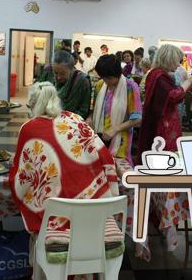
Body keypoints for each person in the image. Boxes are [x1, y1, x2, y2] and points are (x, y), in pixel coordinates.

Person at [9, 82, 119, 241]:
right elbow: (104, 155)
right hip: (94, 207)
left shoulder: (29, 128)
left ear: (33, 104)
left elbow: (23, 175)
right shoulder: (76, 118)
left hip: (55, 210)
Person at [137, 45, 192, 163]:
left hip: (159, 121)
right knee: (163, 158)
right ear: (169, 59)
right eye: (177, 61)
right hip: (162, 124)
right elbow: (174, 96)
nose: (178, 65)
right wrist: (189, 81)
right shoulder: (160, 76)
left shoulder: (157, 74)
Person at [88, 54, 142, 164]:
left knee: (117, 168)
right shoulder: (100, 85)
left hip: (120, 140)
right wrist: (90, 119)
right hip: (100, 137)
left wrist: (115, 129)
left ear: (118, 74)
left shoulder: (130, 87)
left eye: (109, 78)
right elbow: (94, 111)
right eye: (103, 77)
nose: (106, 81)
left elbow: (137, 119)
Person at [52, 51, 91, 119]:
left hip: (74, 123)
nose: (58, 77)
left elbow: (84, 110)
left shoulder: (82, 81)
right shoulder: (54, 80)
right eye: (55, 73)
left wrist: (66, 120)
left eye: (62, 73)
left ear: (71, 69)